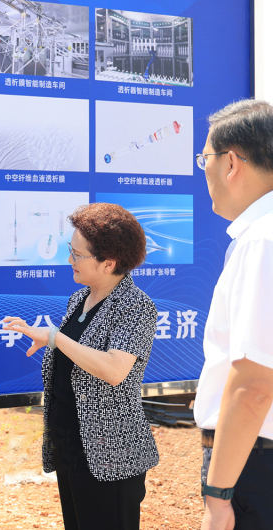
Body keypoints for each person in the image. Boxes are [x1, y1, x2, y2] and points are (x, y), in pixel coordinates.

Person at [2, 203, 158, 530]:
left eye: (77, 254)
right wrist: (51, 342)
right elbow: (76, 357)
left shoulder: (135, 306)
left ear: (108, 263)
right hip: (73, 447)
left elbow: (114, 370)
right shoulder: (79, 300)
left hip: (111, 454)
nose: (69, 260)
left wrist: (56, 338)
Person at [193, 99, 273, 530]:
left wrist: (219, 495)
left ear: (231, 163)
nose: (202, 169)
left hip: (255, 462)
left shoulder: (262, 240)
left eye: (204, 158)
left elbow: (254, 384)